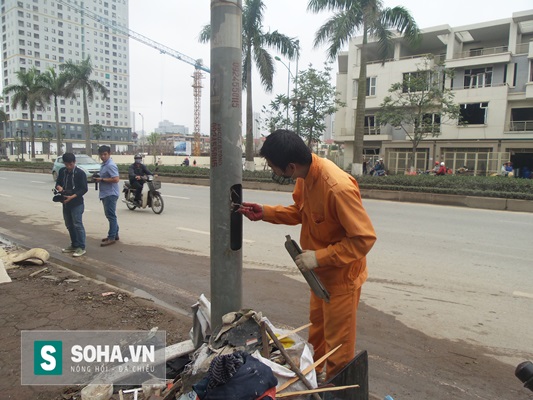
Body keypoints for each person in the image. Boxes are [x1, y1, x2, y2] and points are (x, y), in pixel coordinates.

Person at [238, 129, 377, 380]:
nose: (273, 171)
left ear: (290, 166)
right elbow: (300, 213)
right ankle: (313, 381)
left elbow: (364, 239)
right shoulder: (304, 176)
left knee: (338, 349)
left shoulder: (337, 188)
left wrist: (319, 257)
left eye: (272, 167)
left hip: (341, 279)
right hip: (319, 277)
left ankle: (334, 392)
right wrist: (266, 212)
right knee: (317, 338)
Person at [55, 153, 88, 257]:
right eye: (67, 164)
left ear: (74, 162)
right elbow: (57, 183)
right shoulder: (62, 172)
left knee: (77, 224)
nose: (69, 166)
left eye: (71, 164)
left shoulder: (80, 173)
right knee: (69, 225)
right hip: (65, 202)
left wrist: (72, 196)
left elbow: (84, 189)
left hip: (76, 203)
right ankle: (74, 244)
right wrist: (59, 188)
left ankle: (81, 247)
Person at [94, 145, 120, 246]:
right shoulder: (104, 164)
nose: (103, 156)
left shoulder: (110, 165)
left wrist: (102, 179)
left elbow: (116, 179)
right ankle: (115, 234)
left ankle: (111, 237)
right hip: (105, 193)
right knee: (111, 215)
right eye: (101, 155)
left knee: (111, 216)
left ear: (109, 154)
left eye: (105, 154)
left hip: (110, 193)